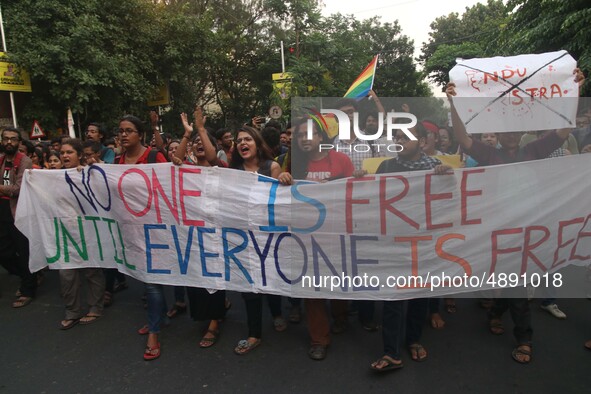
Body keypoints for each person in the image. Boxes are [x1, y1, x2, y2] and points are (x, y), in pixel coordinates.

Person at [445, 67, 584, 364]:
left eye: (514, 131)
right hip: (498, 231)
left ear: (521, 133)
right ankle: (514, 328)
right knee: (514, 283)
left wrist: (574, 91)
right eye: (504, 131)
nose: (509, 135)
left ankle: (512, 327)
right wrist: (454, 104)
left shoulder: (534, 151)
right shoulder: (489, 154)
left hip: (530, 231)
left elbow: (563, 130)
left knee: (516, 283)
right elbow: (462, 136)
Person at [369, 123, 451, 372]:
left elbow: (452, 200)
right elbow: (372, 196)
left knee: (418, 295)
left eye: (405, 137)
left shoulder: (434, 167)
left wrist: (449, 178)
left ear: (422, 140)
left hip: (425, 241)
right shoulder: (386, 167)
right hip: (394, 241)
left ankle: (414, 339)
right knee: (393, 296)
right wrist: (361, 181)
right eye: (396, 137)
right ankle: (391, 352)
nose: (399, 141)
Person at [279, 118, 354, 361]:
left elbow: (355, 191)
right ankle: (319, 338)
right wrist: (284, 179)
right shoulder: (293, 164)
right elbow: (283, 192)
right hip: (305, 236)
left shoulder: (341, 160)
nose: (304, 139)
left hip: (336, 233)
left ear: (321, 137)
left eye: (309, 134)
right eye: (299, 135)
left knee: (337, 281)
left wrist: (330, 186)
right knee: (312, 287)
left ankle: (341, 315)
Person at [173, 106, 229, 348]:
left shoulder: (220, 169)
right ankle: (205, 314)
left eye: (202, 142)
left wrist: (201, 129)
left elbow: (212, 156)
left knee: (214, 275)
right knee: (195, 274)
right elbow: (174, 160)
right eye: (195, 142)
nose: (198, 145)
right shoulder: (186, 170)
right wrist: (187, 134)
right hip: (192, 232)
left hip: (215, 231)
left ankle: (215, 321)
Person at [117, 115, 168, 360]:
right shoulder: (117, 161)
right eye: (121, 131)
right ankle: (158, 317)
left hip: (155, 228)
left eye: (129, 130)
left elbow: (170, 184)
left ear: (140, 134)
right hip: (132, 229)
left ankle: (154, 333)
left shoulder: (153, 157)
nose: (124, 135)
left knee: (151, 280)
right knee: (147, 279)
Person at [230, 125, 286, 355]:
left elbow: (281, 200)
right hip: (243, 236)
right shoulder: (232, 171)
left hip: (268, 234)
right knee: (249, 284)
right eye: (239, 140)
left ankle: (277, 313)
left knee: (269, 277)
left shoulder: (271, 167)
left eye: (247, 139)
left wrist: (283, 177)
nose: (242, 143)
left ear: (256, 143)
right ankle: (254, 334)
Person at [58, 138, 106, 329]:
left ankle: (95, 307)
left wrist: (90, 172)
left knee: (92, 270)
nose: (64, 156)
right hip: (65, 231)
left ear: (79, 155)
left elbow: (105, 187)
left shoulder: (89, 174)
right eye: (62, 153)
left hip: (89, 230)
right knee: (66, 273)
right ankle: (72, 311)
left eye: (69, 152)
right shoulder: (52, 176)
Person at [0, 127, 37, 308]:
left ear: (18, 142)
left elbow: (17, 188)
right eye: (5, 139)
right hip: (2, 210)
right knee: (4, 253)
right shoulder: (0, 160)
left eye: (13, 139)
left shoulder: (24, 161)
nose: (9, 142)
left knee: (23, 251)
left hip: (18, 210)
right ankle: (27, 275)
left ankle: (28, 288)